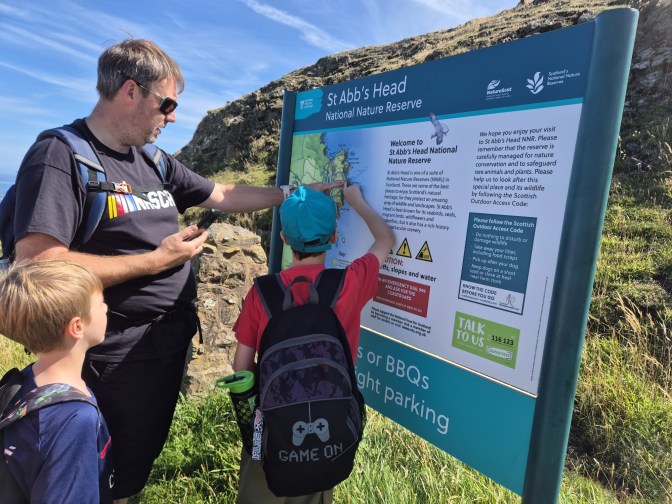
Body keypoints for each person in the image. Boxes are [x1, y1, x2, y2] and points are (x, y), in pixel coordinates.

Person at [11, 38, 340, 502]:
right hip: (110, 355)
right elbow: (38, 264)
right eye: (166, 104)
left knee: (135, 465)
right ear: (130, 91)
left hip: (165, 346)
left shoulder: (152, 160)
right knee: (104, 475)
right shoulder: (62, 156)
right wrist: (157, 261)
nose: (173, 117)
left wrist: (293, 193)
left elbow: (222, 195)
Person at [232, 183, 395, 503]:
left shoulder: (262, 293)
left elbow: (241, 368)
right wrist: (356, 200)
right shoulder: (350, 282)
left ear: (283, 239)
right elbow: (385, 239)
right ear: (334, 237)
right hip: (328, 429)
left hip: (272, 427)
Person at [0, 260, 112, 502]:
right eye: (100, 302)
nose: (105, 308)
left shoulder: (26, 381)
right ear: (77, 326)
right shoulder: (74, 419)